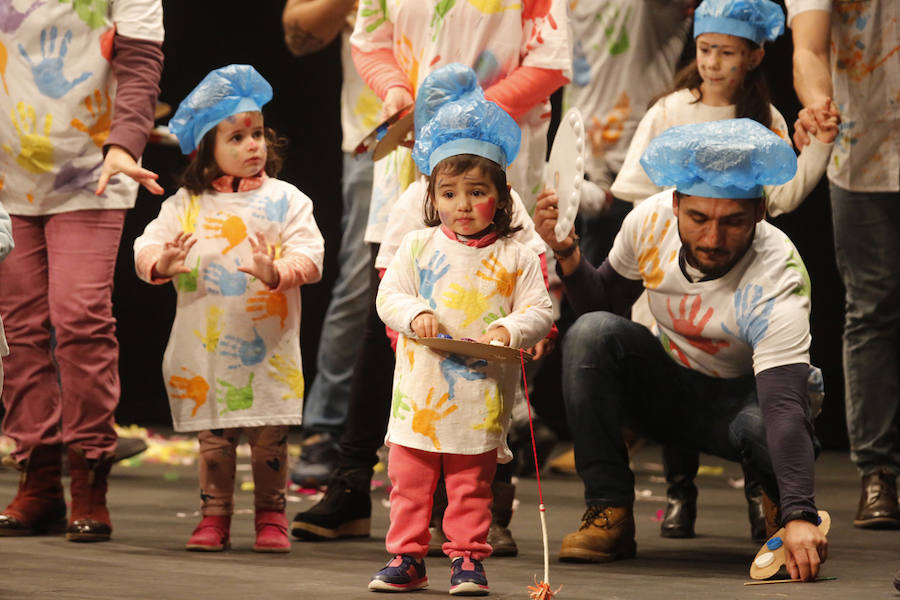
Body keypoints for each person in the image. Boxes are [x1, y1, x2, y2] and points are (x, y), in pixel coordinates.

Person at [288, 0, 570, 546]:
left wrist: (469, 119)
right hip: (416, 157)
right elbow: (370, 38)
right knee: (391, 314)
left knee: (493, 317)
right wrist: (397, 93)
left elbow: (551, 57)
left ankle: (479, 499)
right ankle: (352, 482)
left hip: (490, 156)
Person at [534, 118, 829, 582]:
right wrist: (569, 253)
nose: (712, 239)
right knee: (590, 333)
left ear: (759, 212)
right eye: (698, 219)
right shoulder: (648, 221)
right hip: (668, 388)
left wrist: (800, 515)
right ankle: (608, 511)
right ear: (675, 206)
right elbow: (601, 307)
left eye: (732, 221)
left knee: (763, 425)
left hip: (745, 403)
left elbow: (784, 405)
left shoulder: (779, 276)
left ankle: (778, 504)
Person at [609, 0, 838, 541]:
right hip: (670, 275)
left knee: (747, 386)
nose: (712, 63)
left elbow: (780, 197)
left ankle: (766, 497)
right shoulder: (669, 111)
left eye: (726, 52)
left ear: (755, 55)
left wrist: (820, 146)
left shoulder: (765, 121)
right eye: (705, 50)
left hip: (734, 283)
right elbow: (640, 194)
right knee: (676, 372)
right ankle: (678, 493)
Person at [368, 63, 553, 595]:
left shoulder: (515, 255)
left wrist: (506, 329)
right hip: (420, 391)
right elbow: (389, 296)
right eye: (449, 194)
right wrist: (413, 315)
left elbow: (538, 310)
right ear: (433, 196)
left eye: (476, 192)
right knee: (409, 481)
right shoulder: (418, 247)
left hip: (477, 394)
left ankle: (467, 559)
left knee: (472, 484)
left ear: (502, 194)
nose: (463, 206)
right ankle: (406, 556)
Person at [133, 65, 325, 553]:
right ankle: (213, 516)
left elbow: (312, 255)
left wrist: (276, 272)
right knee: (214, 437)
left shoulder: (287, 200)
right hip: (206, 347)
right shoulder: (185, 204)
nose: (252, 145)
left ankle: (271, 516)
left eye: (257, 133)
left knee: (269, 436)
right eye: (236, 137)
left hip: (268, 347)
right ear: (205, 150)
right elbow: (145, 246)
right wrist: (162, 262)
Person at [0, 0, 164, 542]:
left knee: (80, 319)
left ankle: (90, 476)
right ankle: (38, 480)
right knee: (18, 331)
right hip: (6, 175)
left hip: (93, 169)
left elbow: (140, 64)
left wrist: (125, 144)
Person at [787, 0, 900, 529]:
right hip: (862, 153)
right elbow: (808, 47)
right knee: (871, 312)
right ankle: (878, 472)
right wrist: (816, 102)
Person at [282, 0, 381, 488]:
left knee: (479, 273)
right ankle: (326, 426)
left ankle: (488, 433)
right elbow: (297, 32)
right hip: (375, 136)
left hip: (469, 130)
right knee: (362, 280)